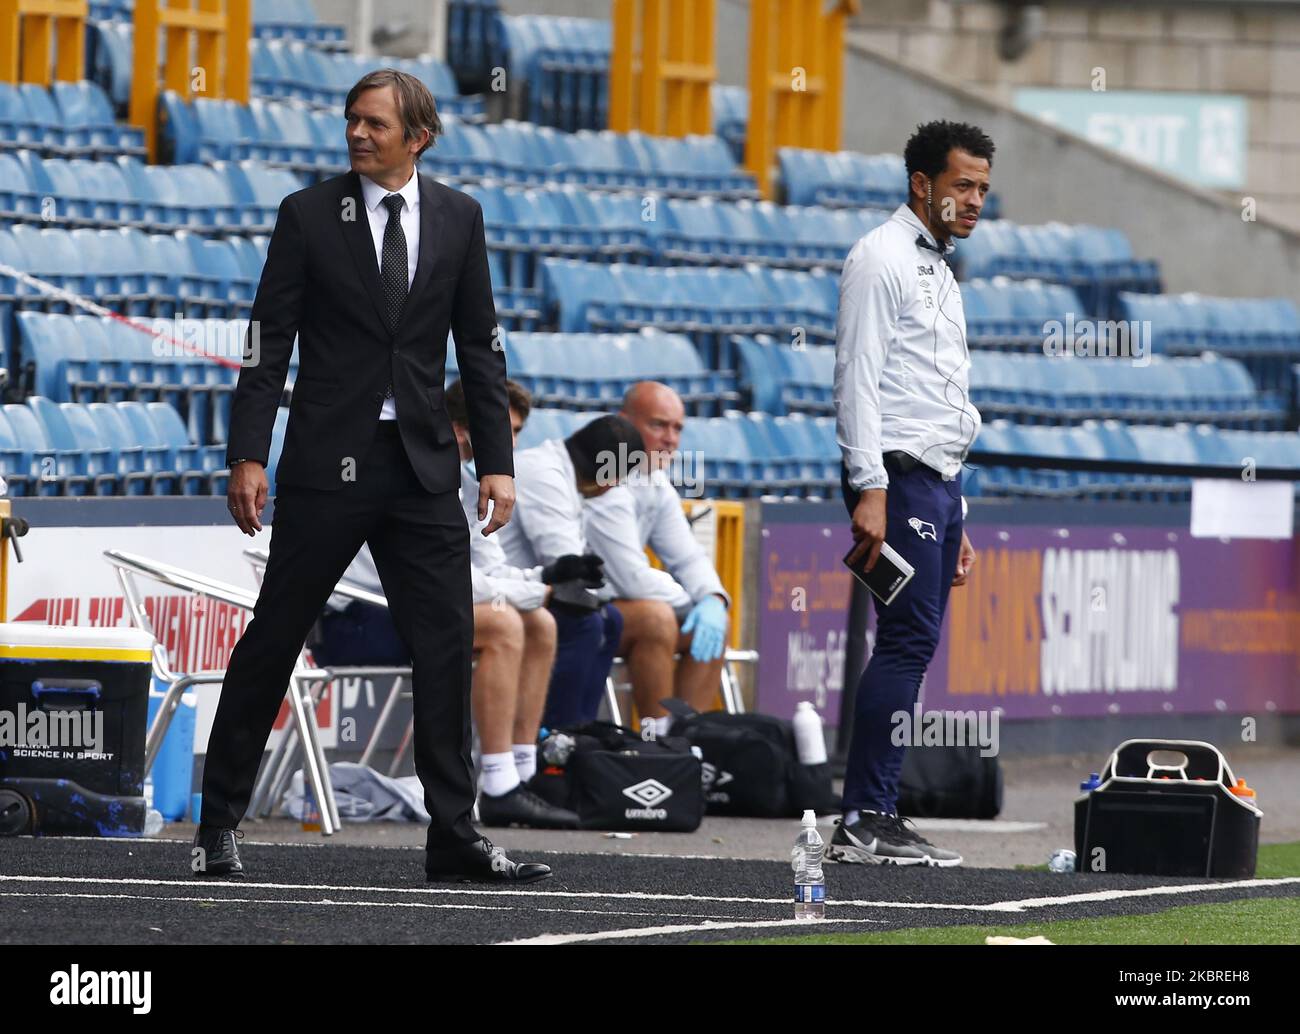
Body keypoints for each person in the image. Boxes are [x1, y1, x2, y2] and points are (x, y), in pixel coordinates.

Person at [197, 69, 549, 884]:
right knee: (274, 639)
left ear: (418, 136)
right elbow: (265, 340)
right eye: (351, 119)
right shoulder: (309, 214)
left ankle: (454, 836)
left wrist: (495, 463)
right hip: (327, 464)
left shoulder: (460, 217)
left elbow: (481, 348)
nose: (357, 134)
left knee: (445, 644)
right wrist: (248, 451)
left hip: (423, 468)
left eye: (374, 124)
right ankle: (218, 823)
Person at [827, 120, 989, 868]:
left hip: (936, 481)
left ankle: (873, 814)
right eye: (962, 185)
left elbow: (938, 395)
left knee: (912, 642)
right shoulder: (880, 257)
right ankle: (866, 817)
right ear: (921, 184)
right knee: (906, 641)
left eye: (983, 188)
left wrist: (960, 512)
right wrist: (869, 486)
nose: (975, 200)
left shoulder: (940, 267)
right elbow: (856, 378)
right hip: (896, 475)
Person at [444, 377, 581, 828]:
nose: (512, 444)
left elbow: (489, 567)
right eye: (504, 430)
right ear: (463, 428)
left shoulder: (468, 480)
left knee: (541, 622)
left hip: (427, 606)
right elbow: (445, 581)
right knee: (507, 624)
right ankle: (498, 786)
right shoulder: (420, 470)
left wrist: (547, 579)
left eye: (518, 433)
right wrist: (536, 590)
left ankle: (524, 774)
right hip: (371, 613)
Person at [583, 381, 731, 730]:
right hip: (576, 611)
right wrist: (687, 602)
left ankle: (684, 740)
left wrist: (712, 599)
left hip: (620, 608)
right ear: (624, 423)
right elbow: (632, 580)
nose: (671, 439)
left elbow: (688, 557)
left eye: (678, 428)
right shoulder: (603, 478)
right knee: (657, 618)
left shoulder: (656, 483)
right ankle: (656, 746)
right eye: (658, 425)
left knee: (710, 627)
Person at [496, 416, 645, 727]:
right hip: (497, 591)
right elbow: (566, 565)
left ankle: (581, 729)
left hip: (524, 588)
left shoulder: (560, 473)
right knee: (585, 623)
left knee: (611, 620)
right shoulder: (544, 475)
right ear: (608, 478)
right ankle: (551, 737)